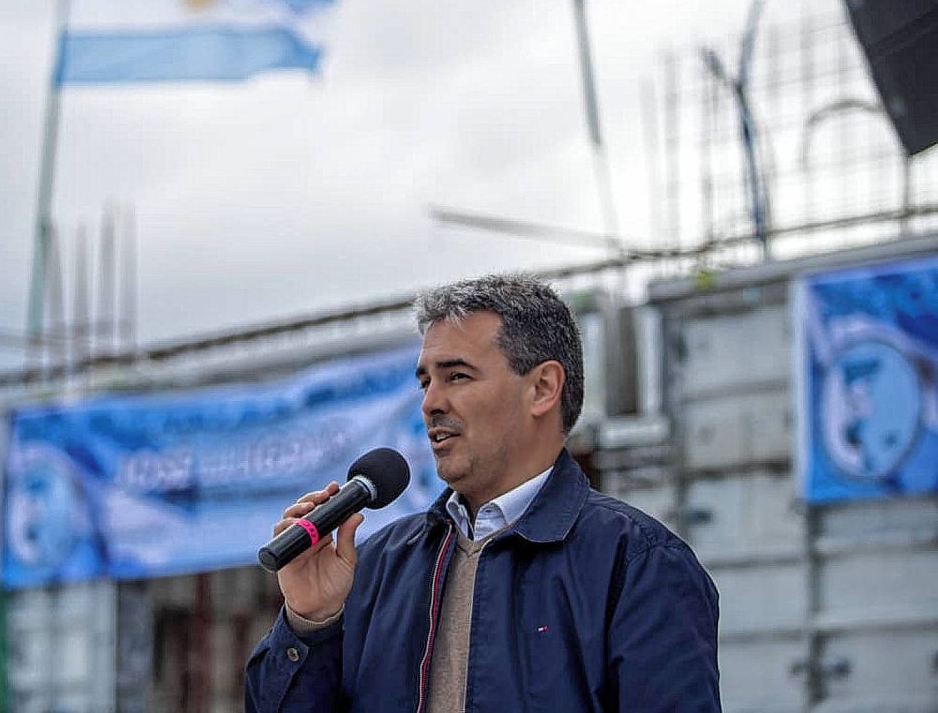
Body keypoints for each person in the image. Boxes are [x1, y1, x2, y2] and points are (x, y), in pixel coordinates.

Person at [245, 273, 720, 712]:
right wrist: (309, 624)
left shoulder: (637, 562)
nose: (431, 402)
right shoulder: (375, 566)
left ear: (543, 388)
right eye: (426, 382)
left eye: (457, 376)